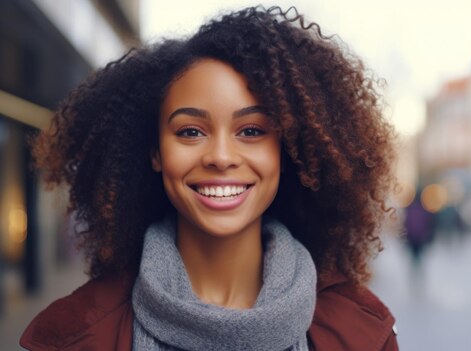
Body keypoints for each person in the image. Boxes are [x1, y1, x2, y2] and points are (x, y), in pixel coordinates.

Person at [20, 6, 398, 351]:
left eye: (251, 131)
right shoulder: (74, 338)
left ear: (286, 152)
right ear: (155, 152)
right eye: (190, 132)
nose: (220, 157)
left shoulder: (360, 335)